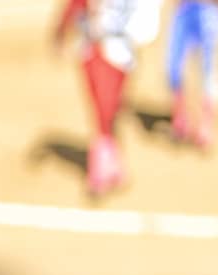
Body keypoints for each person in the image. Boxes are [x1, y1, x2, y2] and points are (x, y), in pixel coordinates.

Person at [52, 0, 164, 196]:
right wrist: (61, 32)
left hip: (119, 51)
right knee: (103, 110)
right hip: (96, 50)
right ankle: (105, 168)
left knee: (110, 109)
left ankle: (109, 166)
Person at [164, 0, 218, 147]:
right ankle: (181, 119)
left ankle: (206, 125)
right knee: (174, 67)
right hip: (184, 9)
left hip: (208, 9)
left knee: (209, 69)